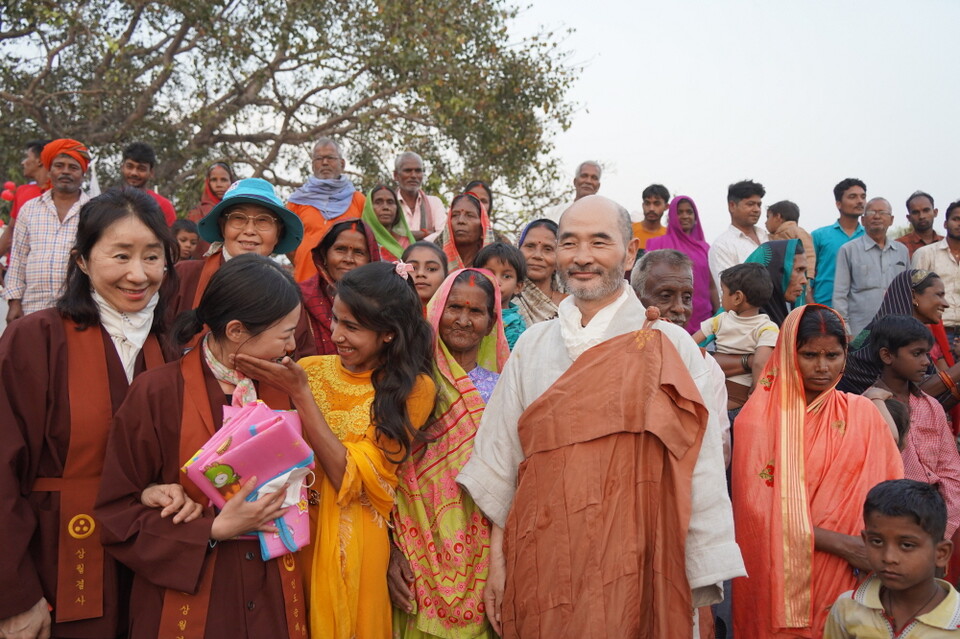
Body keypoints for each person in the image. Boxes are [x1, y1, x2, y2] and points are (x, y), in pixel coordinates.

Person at [458, 195, 744, 637]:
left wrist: (700, 578)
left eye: (599, 241)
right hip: (545, 557)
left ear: (629, 252)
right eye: (569, 243)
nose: (582, 257)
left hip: (642, 557)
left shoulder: (671, 345)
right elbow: (501, 467)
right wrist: (497, 565)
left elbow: (701, 469)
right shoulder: (532, 345)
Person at [95, 254, 307, 638]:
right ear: (238, 330)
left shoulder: (285, 389)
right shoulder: (158, 392)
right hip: (197, 598)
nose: (292, 345)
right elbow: (116, 514)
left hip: (272, 591)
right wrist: (211, 529)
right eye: (285, 333)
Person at [0, 187, 177, 639]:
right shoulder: (34, 340)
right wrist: (14, 596)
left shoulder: (169, 349)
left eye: (152, 257)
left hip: (147, 571)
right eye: (120, 256)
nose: (138, 275)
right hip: (50, 564)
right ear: (82, 260)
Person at [234, 260, 437, 639]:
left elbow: (351, 476)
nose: (337, 334)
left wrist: (301, 395)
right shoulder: (309, 367)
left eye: (352, 327)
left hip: (355, 542)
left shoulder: (414, 389)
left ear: (390, 334)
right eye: (336, 320)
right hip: (293, 528)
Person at [732, 304, 904, 637]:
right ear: (786, 354)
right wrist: (842, 544)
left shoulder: (861, 414)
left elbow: (890, 492)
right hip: (780, 568)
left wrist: (871, 550)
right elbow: (757, 515)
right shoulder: (757, 421)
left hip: (853, 568)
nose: (822, 367)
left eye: (833, 355)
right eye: (810, 355)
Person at [390, 268, 509, 639]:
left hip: (482, 552)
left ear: (491, 323)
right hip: (413, 541)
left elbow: (508, 479)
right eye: (454, 307)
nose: (462, 319)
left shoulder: (503, 390)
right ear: (436, 310)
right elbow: (389, 470)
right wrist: (390, 550)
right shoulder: (406, 383)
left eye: (476, 312)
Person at [170, 178, 313, 355]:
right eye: (238, 218)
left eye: (263, 220)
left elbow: (300, 357)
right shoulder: (183, 276)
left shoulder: (288, 294)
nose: (250, 230)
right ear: (223, 227)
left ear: (278, 234)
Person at [630, 248, 732, 465]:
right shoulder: (613, 352)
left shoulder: (706, 365)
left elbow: (719, 446)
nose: (680, 309)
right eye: (665, 296)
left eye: (687, 297)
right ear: (636, 299)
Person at [824, 480, 960, 638]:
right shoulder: (847, 609)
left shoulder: (955, 620)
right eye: (877, 541)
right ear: (865, 540)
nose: (888, 557)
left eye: (907, 545)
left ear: (941, 553)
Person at [866, 315, 960, 539]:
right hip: (892, 523)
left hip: (938, 521)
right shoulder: (869, 407)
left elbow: (951, 472)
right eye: (917, 354)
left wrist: (943, 530)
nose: (927, 361)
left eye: (927, 353)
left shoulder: (931, 407)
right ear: (887, 355)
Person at [4, 138, 91, 323]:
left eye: (73, 167)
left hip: (80, 309)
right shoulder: (29, 209)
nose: (65, 171)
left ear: (83, 172)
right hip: (33, 308)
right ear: (49, 170)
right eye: (59, 165)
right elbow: (19, 258)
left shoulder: (94, 211)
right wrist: (14, 303)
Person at [838, 270, 954, 398]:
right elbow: (916, 395)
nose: (946, 304)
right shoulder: (887, 335)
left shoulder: (889, 331)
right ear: (914, 296)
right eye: (939, 295)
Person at [692, 263, 778, 412]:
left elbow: (691, 343)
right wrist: (756, 389)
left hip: (714, 382)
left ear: (737, 297)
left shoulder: (720, 320)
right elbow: (759, 363)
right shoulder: (767, 328)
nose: (721, 297)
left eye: (723, 292)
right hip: (741, 392)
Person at [286, 137, 366, 282]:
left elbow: (368, 243)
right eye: (319, 158)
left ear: (342, 163)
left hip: (348, 286)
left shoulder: (358, 200)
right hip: (305, 282)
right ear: (312, 165)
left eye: (330, 158)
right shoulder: (296, 201)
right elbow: (289, 244)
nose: (324, 162)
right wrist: (306, 260)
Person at [299, 218, 380, 354]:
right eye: (340, 249)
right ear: (325, 254)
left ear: (371, 259)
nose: (348, 259)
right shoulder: (302, 296)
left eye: (359, 252)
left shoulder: (382, 301)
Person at [833, 197, 909, 336]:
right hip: (860, 330)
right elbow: (840, 295)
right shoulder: (849, 250)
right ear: (863, 220)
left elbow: (909, 292)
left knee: (892, 357)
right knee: (861, 357)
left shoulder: (902, 251)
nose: (877, 216)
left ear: (891, 220)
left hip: (897, 330)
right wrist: (845, 330)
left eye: (882, 212)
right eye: (871, 213)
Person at [646, 194, 719, 332]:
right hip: (668, 315)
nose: (685, 216)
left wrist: (719, 313)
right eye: (679, 212)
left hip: (703, 320)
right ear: (672, 216)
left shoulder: (704, 248)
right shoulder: (657, 243)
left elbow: (711, 286)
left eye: (689, 212)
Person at [812, 178, 867, 305]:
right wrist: (812, 306)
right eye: (852, 197)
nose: (860, 201)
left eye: (863, 197)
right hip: (824, 308)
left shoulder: (870, 237)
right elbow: (807, 276)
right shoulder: (819, 236)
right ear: (838, 204)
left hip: (861, 311)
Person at [912, 200, 960, 344]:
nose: (959, 224)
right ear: (945, 224)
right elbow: (912, 295)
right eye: (956, 219)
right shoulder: (925, 253)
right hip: (936, 332)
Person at [708, 179, 769, 289]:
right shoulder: (722, 246)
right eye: (750, 204)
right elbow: (728, 292)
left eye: (759, 205)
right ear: (732, 206)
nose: (757, 210)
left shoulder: (767, 237)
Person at [0, 139, 49, 272]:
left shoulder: (61, 194)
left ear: (39, 161)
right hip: (16, 269)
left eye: (27, 157)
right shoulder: (22, 191)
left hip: (48, 269)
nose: (23, 162)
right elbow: (11, 229)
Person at [743, 238, 809, 326]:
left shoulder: (786, 316)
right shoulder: (741, 326)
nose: (804, 281)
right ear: (775, 272)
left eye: (804, 272)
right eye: (798, 270)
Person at [474, 242, 527, 349]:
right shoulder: (469, 312)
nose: (497, 281)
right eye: (490, 273)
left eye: (506, 276)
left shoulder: (514, 326)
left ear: (518, 286)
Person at [515, 218, 566, 325]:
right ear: (516, 251)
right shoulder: (503, 300)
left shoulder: (571, 305)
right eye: (530, 246)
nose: (537, 255)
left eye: (548, 249)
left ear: (559, 260)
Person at [186, 161, 236, 258]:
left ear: (232, 182)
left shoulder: (240, 211)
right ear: (208, 182)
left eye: (224, 180)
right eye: (214, 180)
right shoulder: (197, 212)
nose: (219, 184)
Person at [119, 141, 177, 226]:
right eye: (129, 166)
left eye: (141, 169)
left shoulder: (163, 206)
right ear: (122, 167)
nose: (134, 173)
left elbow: (171, 238)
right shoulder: (107, 202)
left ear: (151, 172)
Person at [394, 152, 447, 240]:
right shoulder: (388, 204)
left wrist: (408, 239)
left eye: (418, 171)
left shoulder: (434, 203)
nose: (413, 175)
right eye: (408, 171)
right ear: (396, 175)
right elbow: (384, 236)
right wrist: (425, 233)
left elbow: (443, 235)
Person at [436, 192, 495, 271]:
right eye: (455, 215)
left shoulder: (494, 268)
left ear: (482, 228)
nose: (461, 220)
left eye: (470, 215)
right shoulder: (436, 264)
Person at [361, 183, 415, 260]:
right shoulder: (361, 240)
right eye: (378, 202)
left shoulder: (407, 243)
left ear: (397, 208)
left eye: (390, 202)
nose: (385, 207)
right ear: (369, 208)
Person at [765, 199, 817, 279]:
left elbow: (809, 253)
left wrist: (808, 275)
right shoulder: (769, 237)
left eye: (768, 217)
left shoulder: (796, 231)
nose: (766, 222)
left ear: (778, 217)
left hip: (797, 276)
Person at [402, 241, 448, 309]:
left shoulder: (456, 316)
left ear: (446, 276)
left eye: (431, 269)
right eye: (412, 268)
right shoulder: (385, 315)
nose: (420, 273)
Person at [898, 190, 943, 259]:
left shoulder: (947, 244)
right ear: (909, 217)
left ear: (935, 212)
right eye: (915, 212)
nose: (921, 216)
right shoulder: (899, 246)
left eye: (926, 210)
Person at [631, 183, 669, 252]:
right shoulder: (630, 232)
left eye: (657, 203)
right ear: (643, 205)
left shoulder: (669, 236)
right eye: (647, 203)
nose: (651, 208)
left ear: (666, 207)